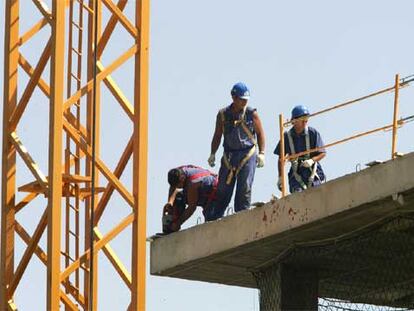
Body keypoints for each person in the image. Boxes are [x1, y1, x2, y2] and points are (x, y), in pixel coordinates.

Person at [207, 82, 265, 219]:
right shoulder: (222, 115)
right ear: (233, 98)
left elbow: (261, 134)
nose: (244, 102)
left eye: (246, 100)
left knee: (244, 187)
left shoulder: (252, 114)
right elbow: (217, 135)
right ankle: (215, 218)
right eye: (242, 99)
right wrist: (213, 153)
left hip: (247, 153)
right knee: (222, 189)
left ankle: (242, 216)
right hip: (229, 155)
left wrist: (262, 153)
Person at [274, 105, 326, 193]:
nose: (305, 122)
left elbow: (322, 153)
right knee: (297, 195)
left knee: (316, 194)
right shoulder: (287, 137)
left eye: (306, 119)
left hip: (312, 170)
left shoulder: (312, 133)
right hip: (296, 173)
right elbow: (281, 159)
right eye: (303, 119)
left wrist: (312, 161)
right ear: (294, 120)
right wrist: (280, 177)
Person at [162, 165, 219, 233]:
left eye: (178, 185)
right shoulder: (179, 171)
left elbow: (191, 208)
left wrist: (178, 223)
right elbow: (173, 188)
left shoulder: (193, 184)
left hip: (214, 198)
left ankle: (174, 226)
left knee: (211, 227)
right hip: (201, 191)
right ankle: (170, 225)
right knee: (177, 198)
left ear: (182, 179)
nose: (178, 187)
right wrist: (170, 202)